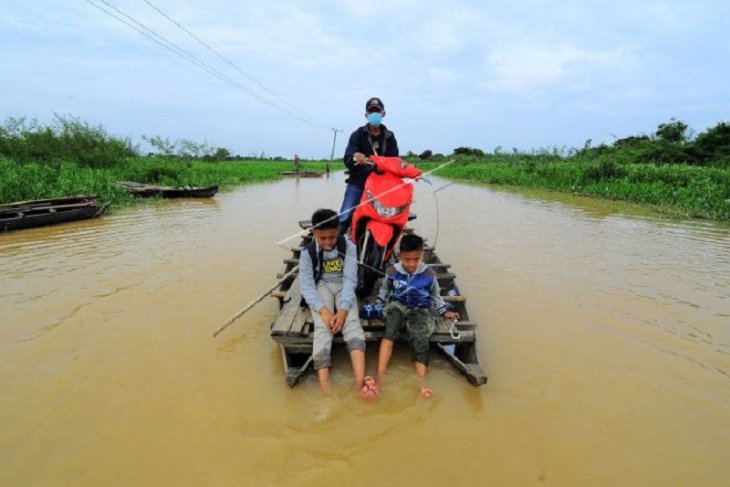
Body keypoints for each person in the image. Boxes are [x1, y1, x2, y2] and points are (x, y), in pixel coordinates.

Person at [299, 208, 378, 397]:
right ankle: (325, 389)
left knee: (352, 324)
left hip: (343, 285)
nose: (328, 242)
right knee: (322, 327)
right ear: (314, 233)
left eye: (332, 237)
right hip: (321, 286)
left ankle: (360, 384)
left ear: (338, 232)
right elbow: (307, 287)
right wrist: (324, 311)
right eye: (322, 238)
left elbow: (350, 279)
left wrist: (342, 310)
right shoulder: (307, 253)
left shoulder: (349, 247)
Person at [375, 234, 460, 397]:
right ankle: (380, 378)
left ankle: (421, 384)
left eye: (416, 259)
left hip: (420, 308)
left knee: (420, 338)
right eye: (407, 260)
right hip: (397, 306)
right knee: (390, 331)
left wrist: (444, 311)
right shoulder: (392, 271)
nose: (412, 264)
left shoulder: (429, 274)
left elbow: (435, 296)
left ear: (422, 255)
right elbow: (385, 289)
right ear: (399, 256)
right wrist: (379, 301)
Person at [338, 97, 399, 235]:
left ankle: (390, 248)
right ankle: (336, 246)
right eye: (371, 111)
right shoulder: (357, 135)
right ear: (366, 115)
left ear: (383, 113)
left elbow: (395, 161)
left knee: (393, 217)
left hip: (382, 185)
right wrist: (355, 156)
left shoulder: (389, 136)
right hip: (359, 182)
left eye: (377, 111)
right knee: (345, 216)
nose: (374, 114)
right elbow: (348, 158)